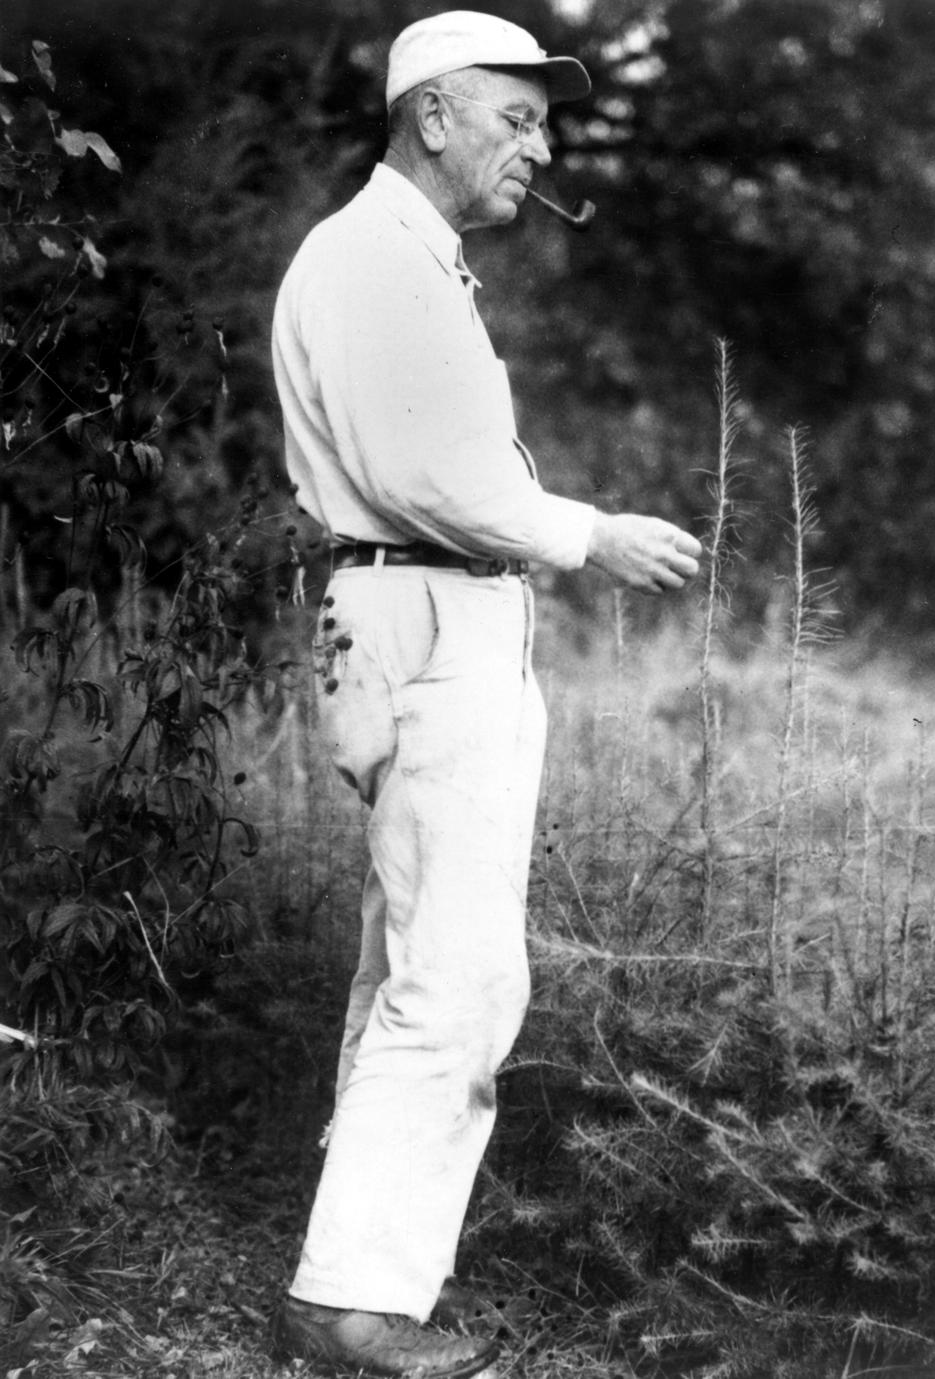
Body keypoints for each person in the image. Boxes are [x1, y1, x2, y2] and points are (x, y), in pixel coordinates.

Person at [269, 11, 702, 1377]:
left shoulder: (404, 258)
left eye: (545, 125)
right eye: (518, 120)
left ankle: (356, 1259)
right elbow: (431, 477)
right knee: (457, 976)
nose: (542, 149)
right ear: (433, 116)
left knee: (414, 956)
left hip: (416, 607)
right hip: (426, 609)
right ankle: (351, 1298)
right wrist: (591, 533)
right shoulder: (376, 260)